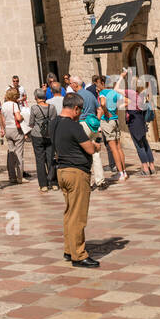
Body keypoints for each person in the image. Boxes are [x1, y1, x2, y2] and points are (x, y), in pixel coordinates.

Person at [53, 92, 98, 267]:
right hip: (76, 173)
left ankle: (69, 249)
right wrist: (96, 145)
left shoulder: (54, 123)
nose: (79, 115)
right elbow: (90, 149)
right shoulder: (74, 126)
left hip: (62, 171)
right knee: (78, 216)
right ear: (76, 108)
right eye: (80, 111)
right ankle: (78, 255)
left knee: (69, 213)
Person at [98, 81, 128, 181]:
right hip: (115, 120)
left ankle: (120, 173)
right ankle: (124, 172)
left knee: (113, 148)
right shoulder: (115, 93)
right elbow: (128, 101)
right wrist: (118, 108)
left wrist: (106, 113)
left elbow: (102, 103)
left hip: (108, 121)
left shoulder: (103, 92)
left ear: (103, 84)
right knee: (119, 148)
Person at [29, 88, 56, 192]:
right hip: (49, 135)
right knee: (50, 158)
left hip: (37, 135)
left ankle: (43, 184)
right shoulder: (52, 107)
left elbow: (31, 122)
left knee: (40, 159)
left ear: (36, 97)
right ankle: (53, 183)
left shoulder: (34, 108)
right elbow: (54, 120)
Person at [3, 88, 26, 185]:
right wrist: (23, 116)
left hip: (7, 129)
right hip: (16, 129)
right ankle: (20, 177)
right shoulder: (14, 105)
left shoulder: (3, 105)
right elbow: (18, 118)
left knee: (11, 153)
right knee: (19, 153)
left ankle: (12, 177)